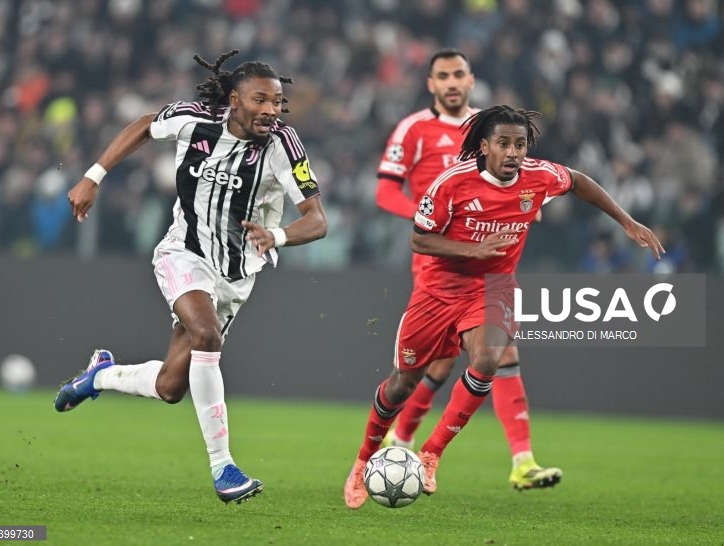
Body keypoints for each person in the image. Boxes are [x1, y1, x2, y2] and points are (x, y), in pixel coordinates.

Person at [344, 105, 664, 509]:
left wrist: (627, 221)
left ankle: (431, 454)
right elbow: (419, 240)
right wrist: (471, 249)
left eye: (520, 144)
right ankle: (362, 461)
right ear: (484, 146)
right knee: (401, 385)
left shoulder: (539, 175)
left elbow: (579, 182)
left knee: (488, 360)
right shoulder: (452, 183)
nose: (513, 152)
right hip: (438, 292)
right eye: (504, 144)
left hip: (492, 289)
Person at [54, 50, 327, 505]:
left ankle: (100, 376)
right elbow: (145, 125)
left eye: (277, 102)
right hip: (184, 252)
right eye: (260, 100)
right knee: (206, 333)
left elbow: (317, 220)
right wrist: (93, 177)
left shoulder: (283, 144)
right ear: (235, 100)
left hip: (237, 274)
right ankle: (224, 468)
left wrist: (276, 235)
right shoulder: (195, 120)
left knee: (170, 387)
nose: (271, 111)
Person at [375, 48, 560, 490]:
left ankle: (522, 461)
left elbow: (530, 183)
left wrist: (528, 205)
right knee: (438, 365)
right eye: (443, 76)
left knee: (501, 352)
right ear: (431, 84)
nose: (452, 82)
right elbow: (385, 192)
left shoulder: (494, 129)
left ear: (471, 79)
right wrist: (431, 220)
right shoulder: (414, 129)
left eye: (459, 74)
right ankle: (402, 439)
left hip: (493, 259)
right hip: (441, 259)